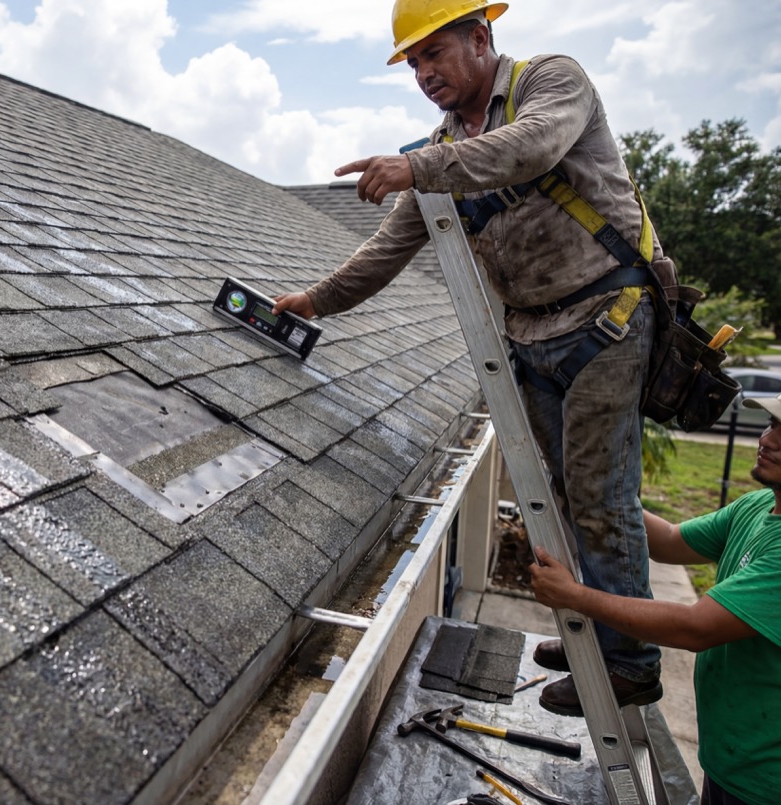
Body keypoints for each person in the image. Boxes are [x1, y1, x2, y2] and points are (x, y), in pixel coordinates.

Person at [272, 0, 678, 715]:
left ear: (481, 36)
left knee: (599, 497)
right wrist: (318, 299)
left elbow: (532, 148)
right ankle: (597, 625)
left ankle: (630, 661)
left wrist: (417, 166)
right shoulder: (445, 146)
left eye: (435, 53)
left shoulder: (551, 83)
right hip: (532, 335)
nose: (425, 72)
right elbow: (394, 246)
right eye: (415, 62)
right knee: (559, 497)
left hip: (607, 317)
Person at [530, 393, 781, 805]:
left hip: (765, 782)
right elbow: (667, 541)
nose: (767, 439)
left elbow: (693, 627)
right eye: (771, 424)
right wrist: (586, 490)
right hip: (731, 760)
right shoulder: (758, 507)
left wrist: (575, 596)